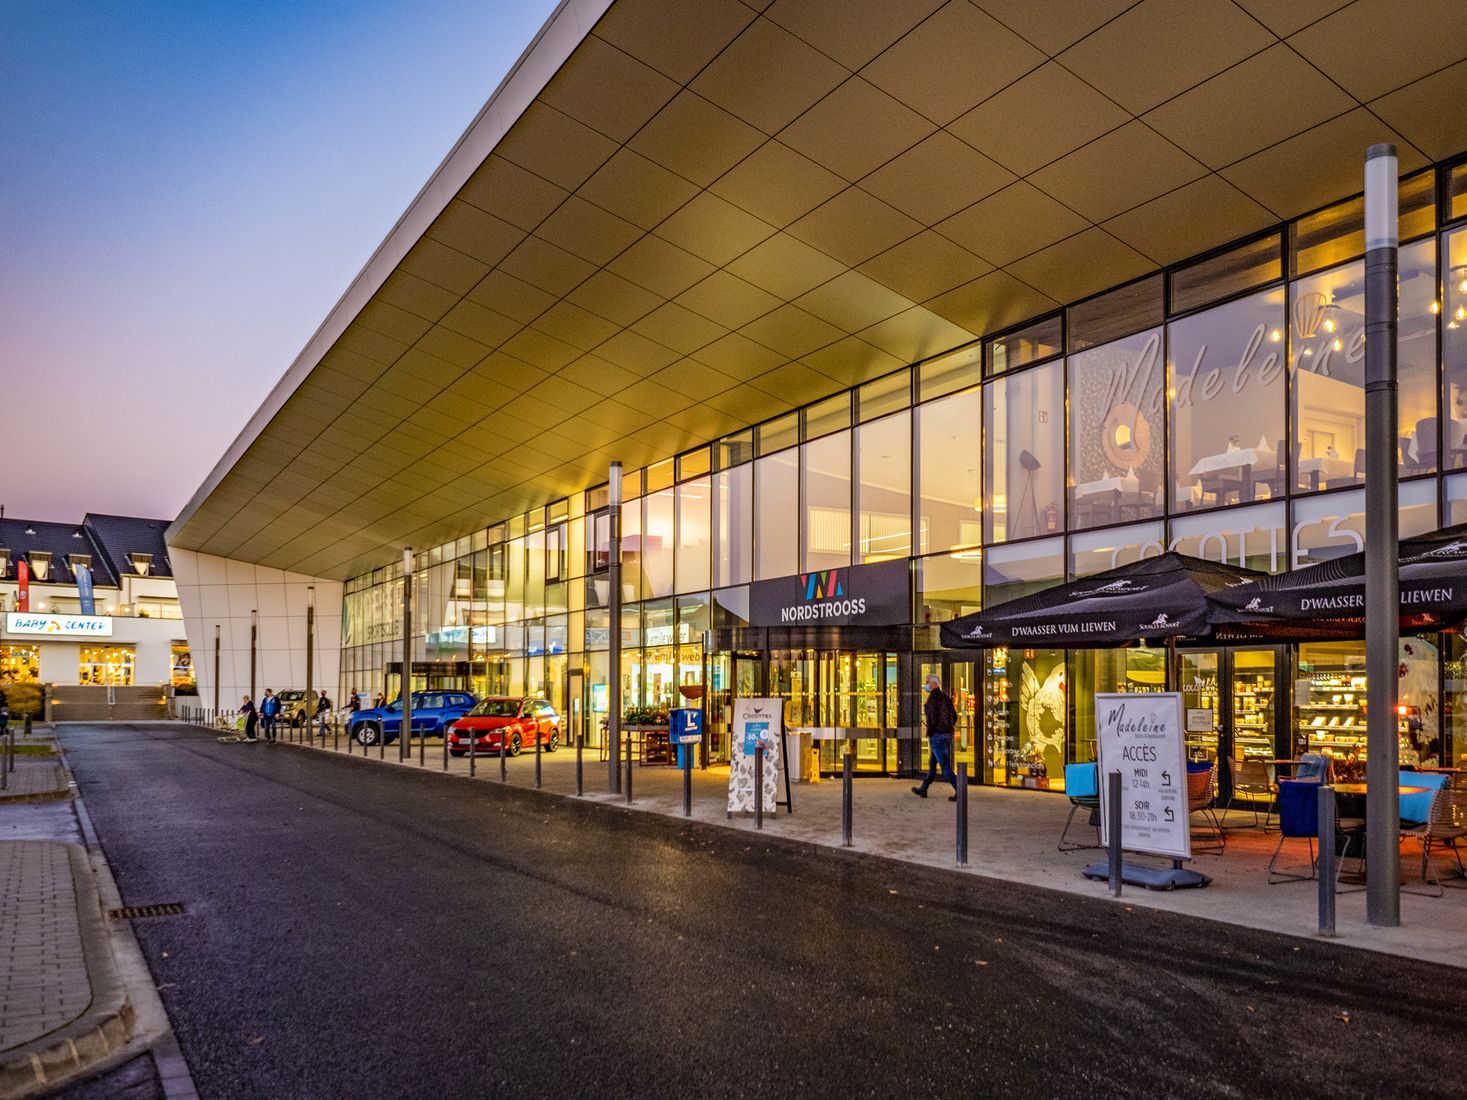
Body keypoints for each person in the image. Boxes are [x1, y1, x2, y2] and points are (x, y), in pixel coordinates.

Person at [912, 673, 958, 801]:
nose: (925, 684)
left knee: (945, 766)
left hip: (937, 736)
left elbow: (931, 719)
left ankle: (960, 789)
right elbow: (954, 716)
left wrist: (931, 732)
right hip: (947, 735)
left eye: (927, 682)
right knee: (932, 765)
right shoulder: (946, 698)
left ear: (933, 684)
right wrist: (948, 727)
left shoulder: (932, 700)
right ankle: (923, 789)